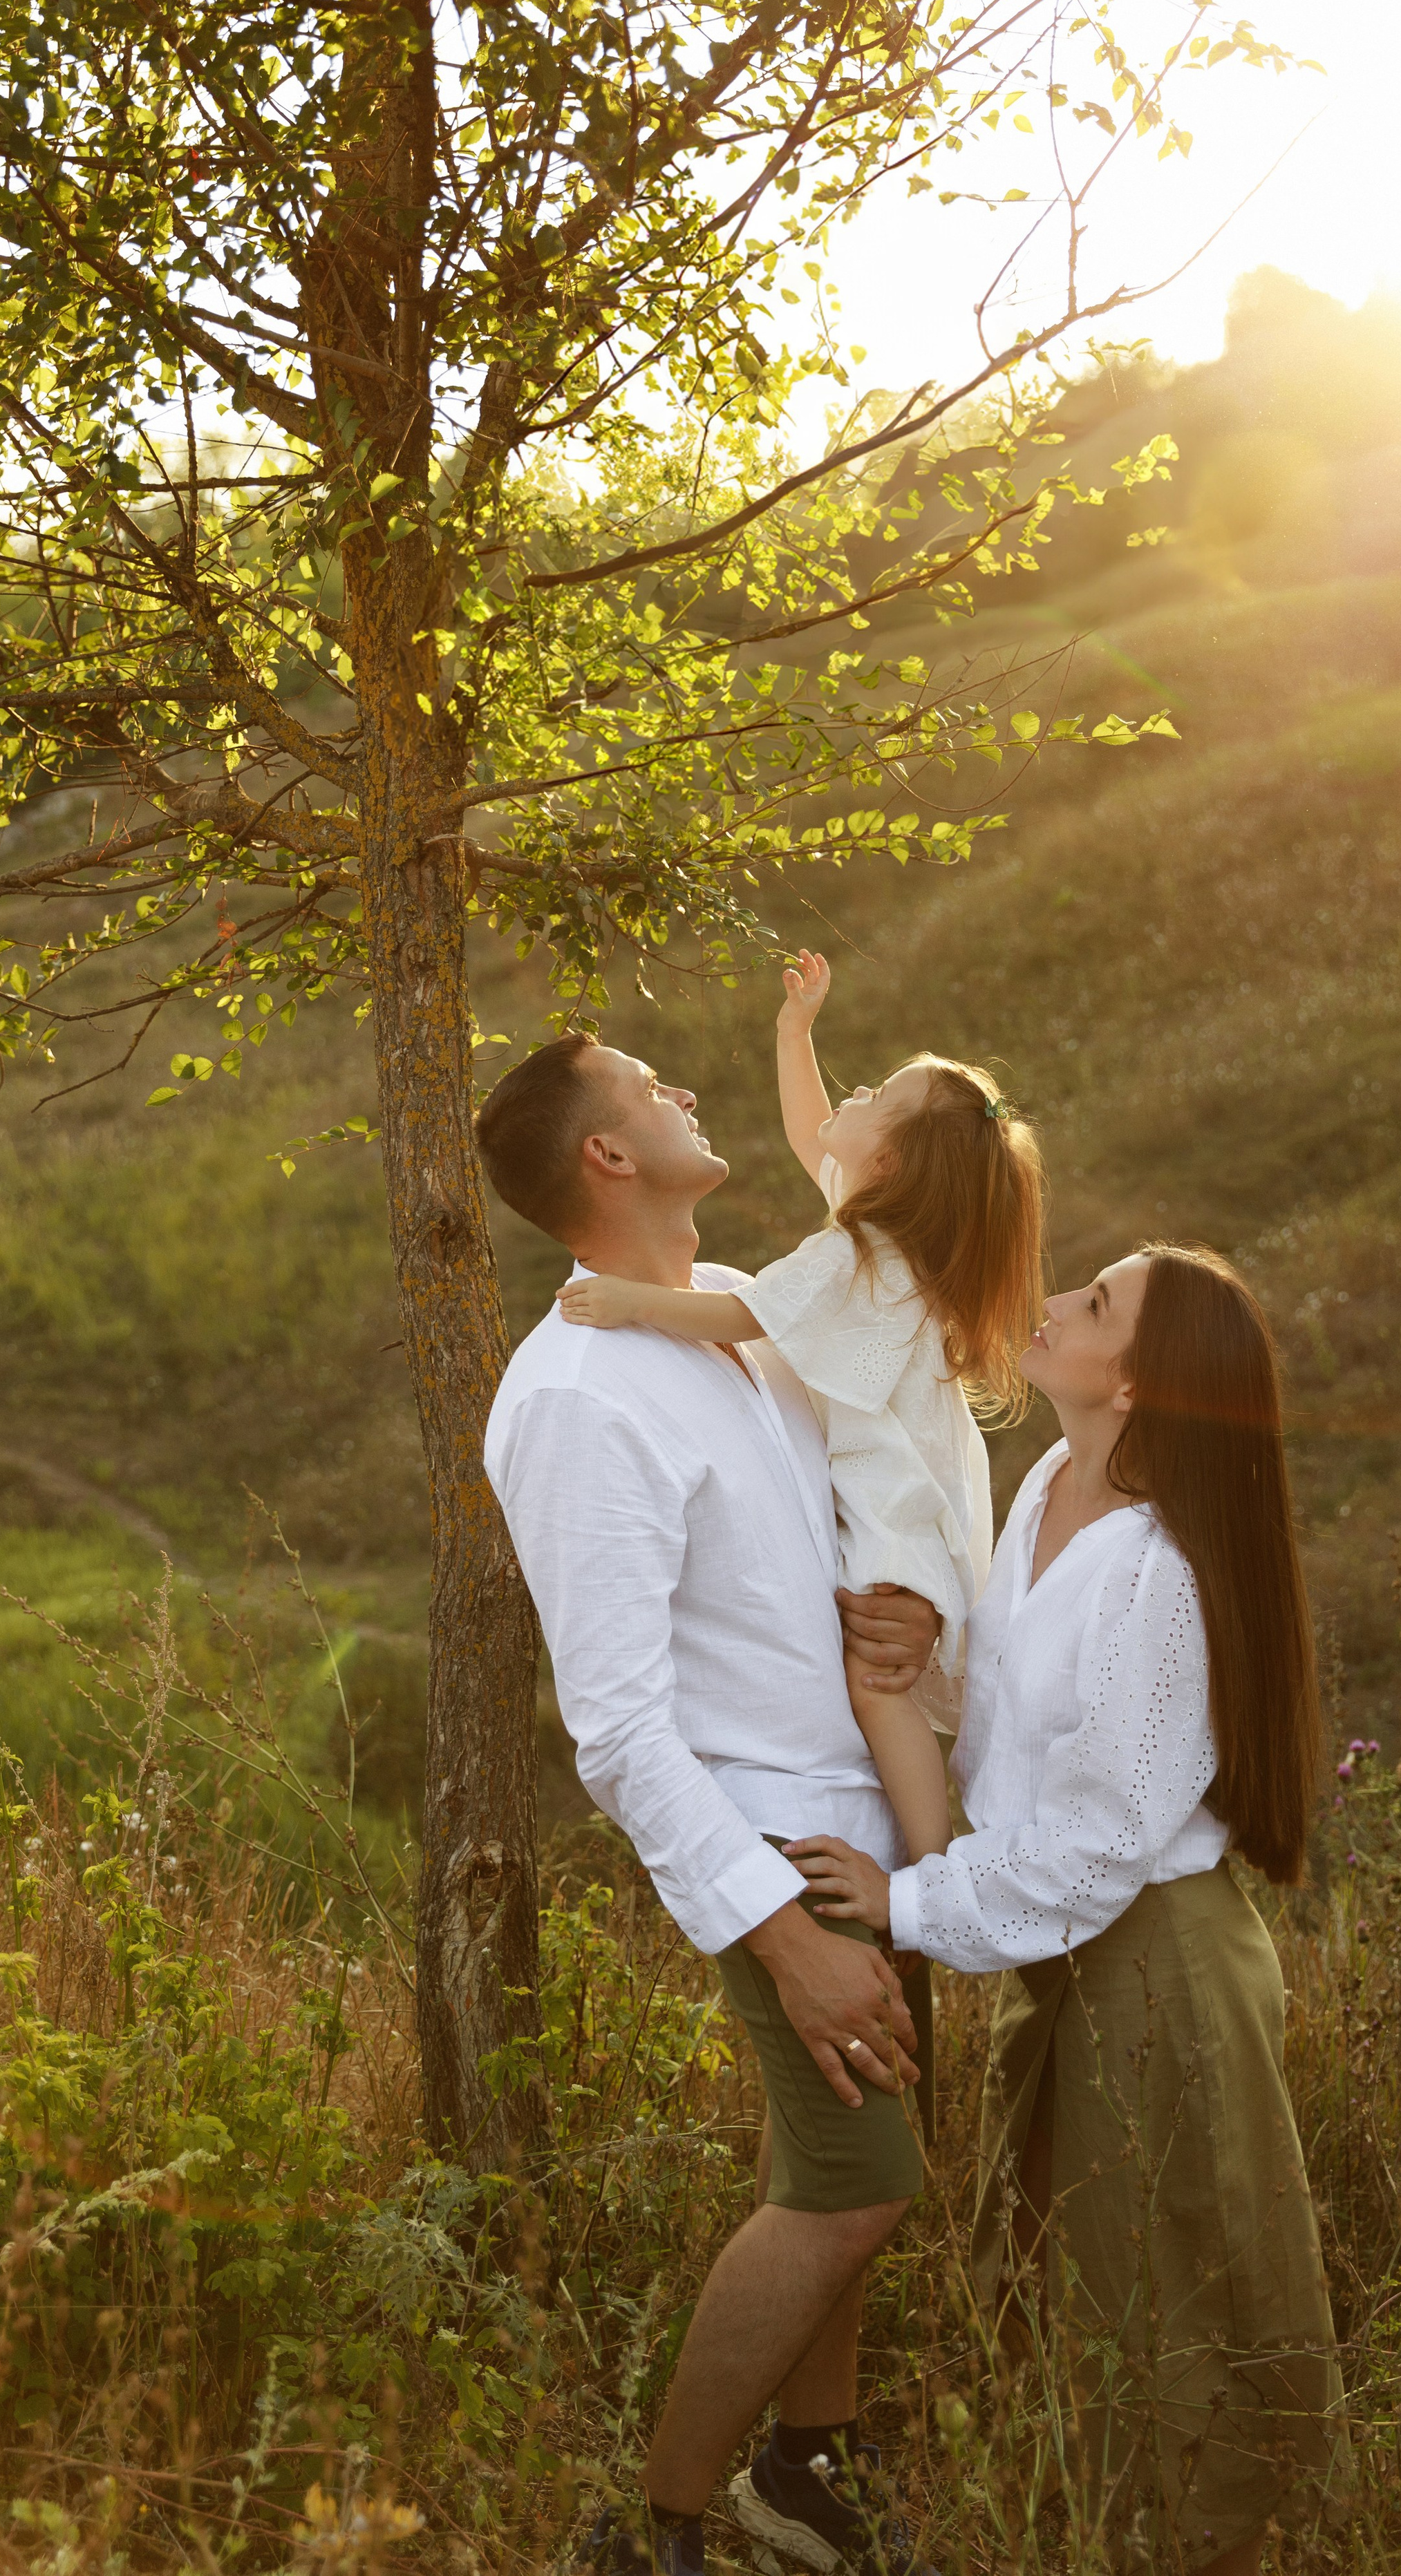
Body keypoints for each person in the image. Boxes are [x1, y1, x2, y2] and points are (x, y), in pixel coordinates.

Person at [789, 1244, 1351, 2576]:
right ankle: (1088, 2537)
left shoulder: (1156, 1566)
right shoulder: (1050, 1485)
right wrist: (910, 1671)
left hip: (1161, 1966)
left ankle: (1186, 2548)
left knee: (1169, 2295)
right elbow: (1010, 1737)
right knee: (1073, 2269)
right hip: (1080, 1957)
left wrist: (909, 1898)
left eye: (1093, 1306)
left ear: (1142, 1380)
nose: (1051, 1307)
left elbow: (1102, 1841)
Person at [478, 1030, 946, 2576]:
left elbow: (843, 1521)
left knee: (838, 2163)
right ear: (606, 1157)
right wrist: (778, 1931)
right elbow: (610, 1729)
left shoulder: (739, 1315)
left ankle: (806, 2467)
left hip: (866, 1826)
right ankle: (655, 2524)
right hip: (777, 1848)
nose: (683, 1089)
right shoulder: (575, 1395)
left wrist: (904, 1615)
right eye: (648, 1085)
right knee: (859, 2188)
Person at [557, 948, 1044, 1866]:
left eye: (874, 1096)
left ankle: (931, 1858)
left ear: (890, 1158)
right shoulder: (883, 1226)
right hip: (910, 1485)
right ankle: (932, 1848)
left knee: (877, 1682)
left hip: (898, 1498)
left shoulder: (865, 1252)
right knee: (878, 1682)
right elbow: (809, 1128)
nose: (849, 1098)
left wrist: (638, 1304)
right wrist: (794, 1030)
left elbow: (744, 1314)